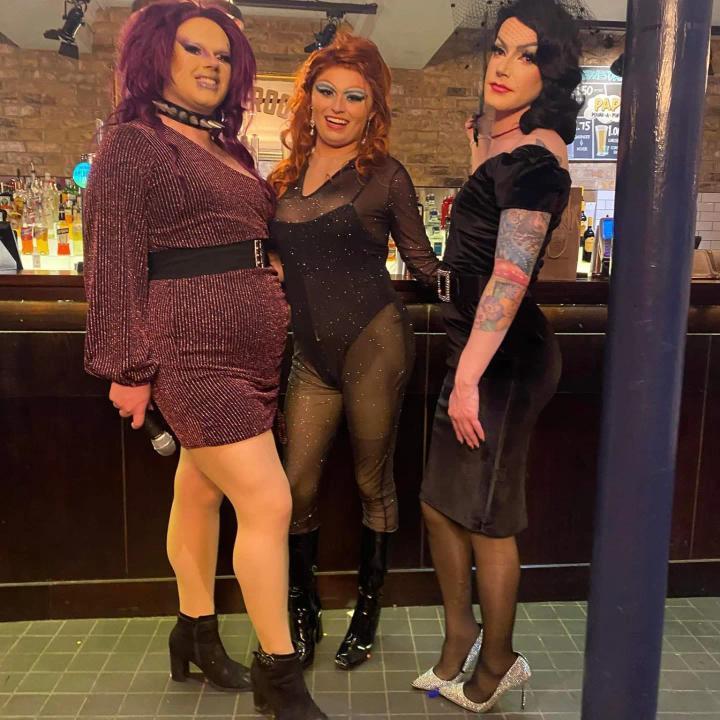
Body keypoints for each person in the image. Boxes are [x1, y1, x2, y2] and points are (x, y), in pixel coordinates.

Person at [83, 3, 325, 717]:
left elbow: (242, 234)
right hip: (190, 350)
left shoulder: (228, 148)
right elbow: (112, 258)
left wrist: (270, 265)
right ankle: (279, 676)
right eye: (195, 49)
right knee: (268, 501)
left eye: (223, 55)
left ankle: (194, 632)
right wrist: (126, 368)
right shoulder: (133, 144)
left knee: (199, 491)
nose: (212, 64)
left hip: (252, 351)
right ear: (157, 53)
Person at [416, 0, 584, 712]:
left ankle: (500, 659)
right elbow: (481, 239)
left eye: (528, 56)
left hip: (503, 360)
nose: (505, 66)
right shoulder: (504, 143)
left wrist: (468, 379)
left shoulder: (539, 158)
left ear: (552, 73)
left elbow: (510, 278)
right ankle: (461, 635)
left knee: (487, 518)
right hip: (473, 348)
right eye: (500, 49)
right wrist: (478, 142)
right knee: (438, 504)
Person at [267, 33, 441, 670]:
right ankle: (303, 605)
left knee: (373, 481)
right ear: (309, 100)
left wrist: (497, 284)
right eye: (327, 91)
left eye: (355, 96)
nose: (338, 106)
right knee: (295, 486)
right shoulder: (281, 177)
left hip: (376, 343)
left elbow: (424, 266)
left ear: (374, 109)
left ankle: (368, 609)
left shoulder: (386, 177)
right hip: (311, 353)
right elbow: (270, 257)